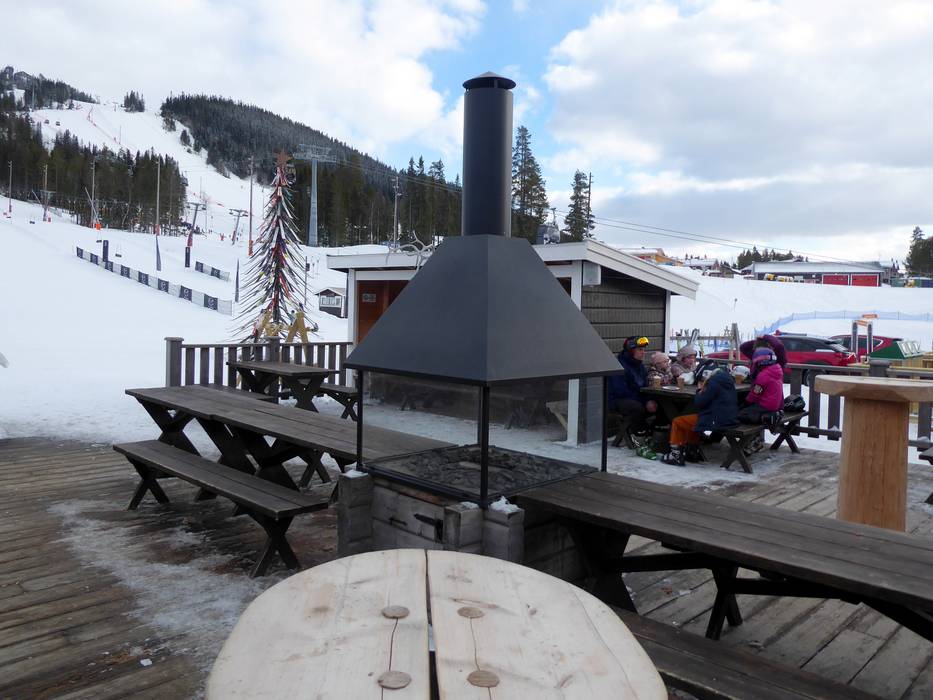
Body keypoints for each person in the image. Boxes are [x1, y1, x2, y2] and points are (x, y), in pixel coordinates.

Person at [661, 360, 739, 466]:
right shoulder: (727, 380)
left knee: (678, 421)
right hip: (729, 418)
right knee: (693, 421)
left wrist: (699, 390)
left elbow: (700, 402)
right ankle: (692, 451)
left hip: (717, 420)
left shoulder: (713, 382)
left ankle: (676, 455)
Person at [607, 336, 659, 437]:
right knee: (637, 408)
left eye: (643, 350)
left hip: (636, 398)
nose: (643, 353)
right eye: (640, 350)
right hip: (617, 400)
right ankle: (639, 436)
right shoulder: (619, 366)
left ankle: (658, 433)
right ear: (630, 351)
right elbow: (621, 391)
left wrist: (649, 400)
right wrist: (644, 402)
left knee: (659, 402)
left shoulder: (640, 366)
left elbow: (645, 386)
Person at [738, 344, 785, 425]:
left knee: (740, 414)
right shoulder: (776, 370)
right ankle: (770, 416)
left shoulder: (763, 375)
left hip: (766, 406)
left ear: (760, 362)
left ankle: (765, 418)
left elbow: (755, 394)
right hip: (775, 405)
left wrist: (745, 403)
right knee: (749, 410)